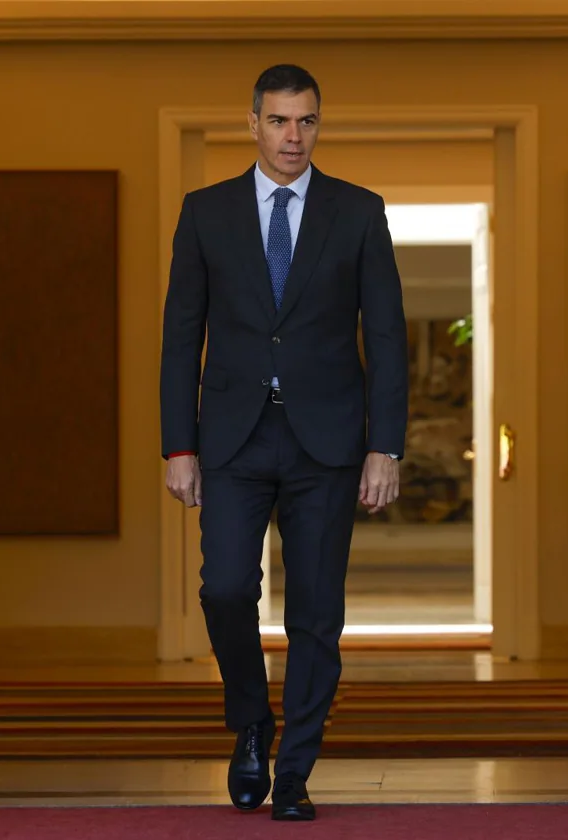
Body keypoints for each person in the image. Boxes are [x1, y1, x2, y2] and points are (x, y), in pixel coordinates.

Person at [159, 64, 408, 821]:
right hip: (232, 439)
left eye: (306, 122)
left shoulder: (358, 212)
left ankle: (294, 770)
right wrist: (178, 444)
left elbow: (389, 337)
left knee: (316, 615)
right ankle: (251, 722)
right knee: (225, 588)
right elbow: (181, 337)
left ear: (318, 125)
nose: (292, 136)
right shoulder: (205, 213)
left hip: (326, 445)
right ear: (254, 123)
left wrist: (385, 446)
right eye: (279, 121)